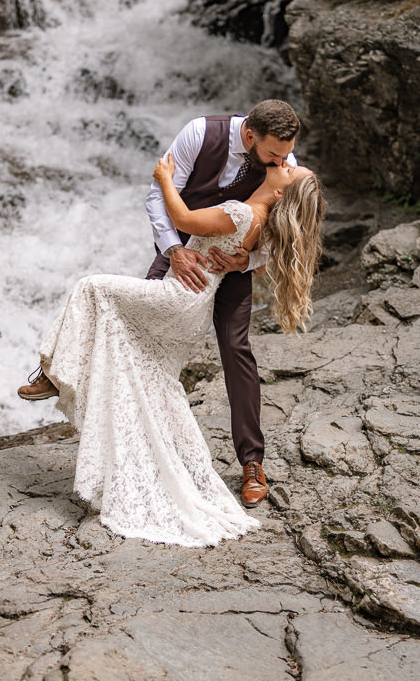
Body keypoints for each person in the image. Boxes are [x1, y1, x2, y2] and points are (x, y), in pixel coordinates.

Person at [17, 153, 324, 547]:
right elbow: (261, 265)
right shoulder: (259, 221)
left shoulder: (242, 214)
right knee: (154, 384)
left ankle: (56, 374)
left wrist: (164, 177)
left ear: (281, 190)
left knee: (91, 287)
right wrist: (242, 260)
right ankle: (149, 469)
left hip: (177, 298)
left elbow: (182, 221)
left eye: (287, 168)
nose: (283, 161)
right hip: (192, 308)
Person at [145, 99, 303, 508]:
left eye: (285, 155)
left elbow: (284, 229)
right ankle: (59, 374)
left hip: (232, 265)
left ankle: (252, 462)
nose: (280, 161)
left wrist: (248, 260)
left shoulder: (284, 159)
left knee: (237, 349)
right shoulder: (199, 133)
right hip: (183, 251)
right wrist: (174, 252)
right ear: (250, 135)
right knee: (140, 329)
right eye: (273, 154)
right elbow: (158, 195)